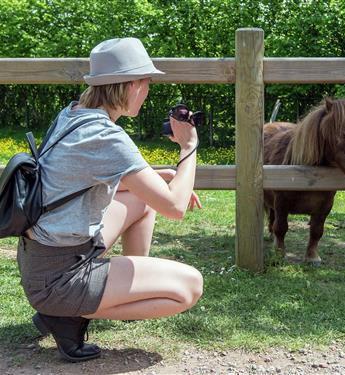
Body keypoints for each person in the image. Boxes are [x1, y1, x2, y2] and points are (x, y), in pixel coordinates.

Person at [16, 37, 204, 362]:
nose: (146, 91)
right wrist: (188, 147)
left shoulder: (73, 114)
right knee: (190, 287)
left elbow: (81, 181)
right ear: (133, 85)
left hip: (41, 261)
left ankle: (111, 292)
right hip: (61, 278)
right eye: (146, 82)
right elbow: (174, 208)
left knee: (143, 201)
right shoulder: (106, 137)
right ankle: (67, 314)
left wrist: (157, 180)